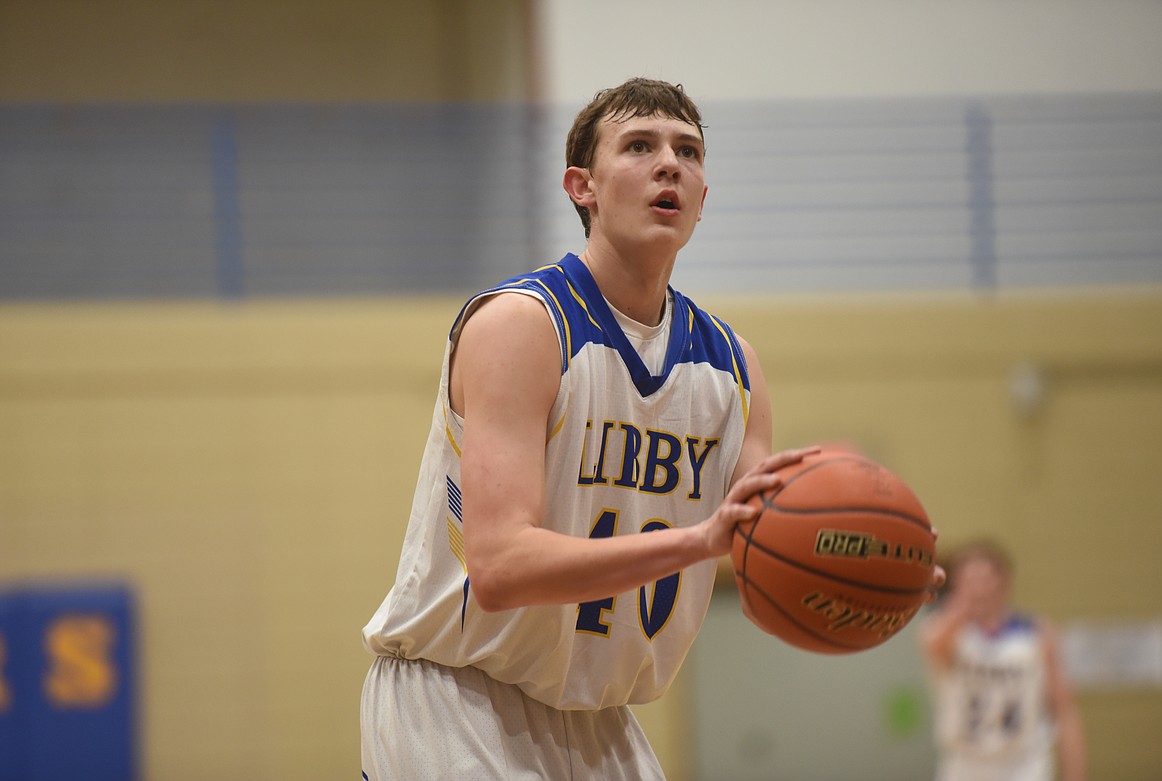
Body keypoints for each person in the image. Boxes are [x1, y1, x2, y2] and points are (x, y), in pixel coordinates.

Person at [360, 77, 941, 779]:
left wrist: (878, 565)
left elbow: (764, 548)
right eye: (639, 146)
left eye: (688, 152)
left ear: (701, 200)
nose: (670, 163)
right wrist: (698, 541)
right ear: (583, 187)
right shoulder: (523, 326)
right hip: (458, 699)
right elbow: (501, 567)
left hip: (601, 719)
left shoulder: (734, 367)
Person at [919, 539, 1087, 781]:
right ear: (956, 585)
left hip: (1022, 764)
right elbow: (933, 642)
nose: (978, 588)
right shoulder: (943, 632)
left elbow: (1065, 710)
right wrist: (961, 608)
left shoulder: (1037, 633)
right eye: (968, 580)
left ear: (1004, 582)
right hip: (964, 763)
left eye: (985, 578)